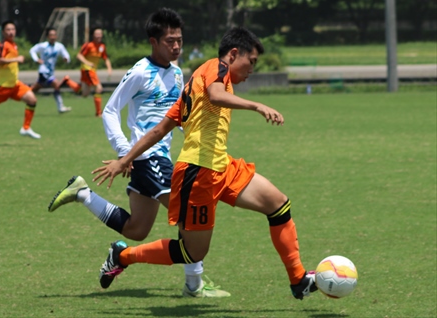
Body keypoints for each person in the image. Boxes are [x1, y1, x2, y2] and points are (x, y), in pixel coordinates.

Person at [92, 27, 318, 300]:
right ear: (234, 54)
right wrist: (257, 106)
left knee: (278, 204)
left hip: (222, 166)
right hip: (197, 173)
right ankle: (123, 256)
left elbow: (159, 130)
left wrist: (126, 159)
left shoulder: (195, 86)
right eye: (251, 62)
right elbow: (216, 95)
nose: (252, 70)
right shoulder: (215, 68)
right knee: (193, 252)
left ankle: (298, 279)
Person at [47, 8, 229, 298]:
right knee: (188, 214)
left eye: (179, 39)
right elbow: (109, 110)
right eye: (170, 41)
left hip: (160, 158)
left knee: (136, 229)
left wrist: (195, 139)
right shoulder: (140, 72)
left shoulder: (178, 74)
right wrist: (125, 153)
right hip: (147, 157)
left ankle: (82, 194)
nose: (177, 46)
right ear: (153, 41)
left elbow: (177, 117)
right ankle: (194, 285)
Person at [29, 27, 81, 113]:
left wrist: (66, 59)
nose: (53, 37)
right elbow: (32, 50)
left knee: (34, 89)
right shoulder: (43, 46)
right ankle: (60, 107)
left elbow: (66, 56)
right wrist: (36, 59)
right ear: (47, 36)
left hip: (51, 72)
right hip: (43, 71)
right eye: (51, 35)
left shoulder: (59, 46)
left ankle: (22, 95)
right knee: (56, 85)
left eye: (54, 35)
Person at [76, 27, 113, 117]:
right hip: (87, 69)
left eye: (100, 34)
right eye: (96, 34)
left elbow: (105, 58)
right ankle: (99, 113)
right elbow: (79, 56)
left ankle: (67, 81)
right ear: (93, 35)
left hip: (91, 70)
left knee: (85, 93)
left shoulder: (102, 46)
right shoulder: (88, 45)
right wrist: (88, 63)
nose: (98, 36)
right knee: (99, 88)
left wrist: (109, 68)